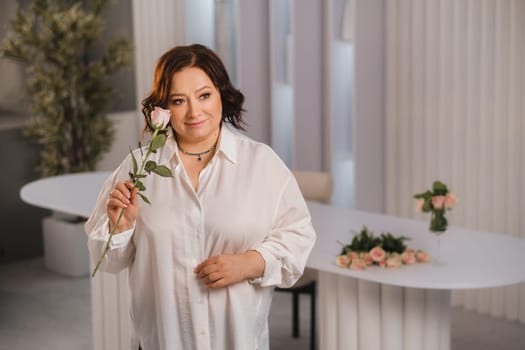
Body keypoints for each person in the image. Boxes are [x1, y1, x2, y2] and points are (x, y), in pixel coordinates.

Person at [85, 44, 316, 350]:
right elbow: (110, 262)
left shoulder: (262, 164)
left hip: (236, 341)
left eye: (204, 95)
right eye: (179, 101)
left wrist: (251, 262)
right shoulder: (137, 169)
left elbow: (298, 237)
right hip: (161, 341)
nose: (194, 112)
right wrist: (121, 227)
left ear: (222, 94)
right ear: (164, 109)